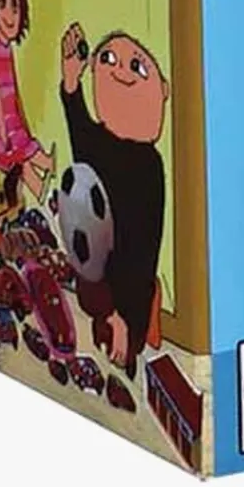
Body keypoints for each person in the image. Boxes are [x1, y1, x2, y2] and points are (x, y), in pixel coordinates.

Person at [60, 23, 168, 375]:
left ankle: (134, 330)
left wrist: (125, 317)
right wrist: (71, 82)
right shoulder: (98, 141)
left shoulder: (148, 166)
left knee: (122, 356)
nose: (121, 71)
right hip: (98, 279)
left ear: (163, 90)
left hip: (128, 293)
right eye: (108, 60)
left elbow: (142, 252)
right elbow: (79, 130)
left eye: (136, 66)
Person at [0, 0, 53, 214]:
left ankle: (47, 177)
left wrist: (20, 119)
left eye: (15, 6)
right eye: (2, 5)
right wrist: (2, 132)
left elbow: (13, 88)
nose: (10, 15)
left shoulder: (5, 48)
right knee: (20, 157)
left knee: (25, 152)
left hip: (12, 120)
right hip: (2, 126)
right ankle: (45, 179)